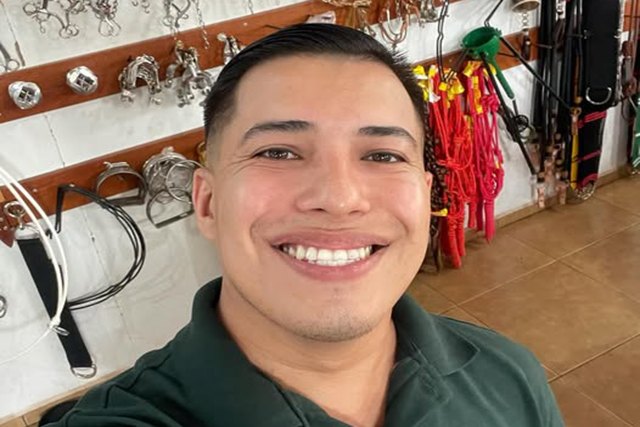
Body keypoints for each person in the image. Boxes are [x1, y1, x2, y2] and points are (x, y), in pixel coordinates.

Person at [45, 24, 564, 427]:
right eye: (278, 152)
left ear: (425, 198)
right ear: (207, 203)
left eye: (382, 155)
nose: (338, 199)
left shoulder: (508, 376)